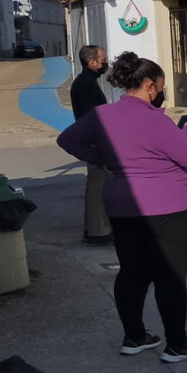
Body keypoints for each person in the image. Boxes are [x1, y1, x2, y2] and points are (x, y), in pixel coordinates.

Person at [56, 53, 187, 362]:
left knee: (132, 271)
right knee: (170, 275)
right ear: (151, 86)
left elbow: (67, 140)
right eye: (161, 87)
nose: (162, 93)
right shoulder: (156, 120)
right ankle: (177, 344)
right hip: (168, 204)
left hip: (122, 203)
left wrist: (101, 158)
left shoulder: (102, 115)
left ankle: (134, 336)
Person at [70, 44, 112, 246]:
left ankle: (98, 229)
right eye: (103, 59)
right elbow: (91, 117)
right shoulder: (85, 84)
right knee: (98, 186)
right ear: (92, 62)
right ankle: (97, 232)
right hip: (95, 143)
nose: (105, 62)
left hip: (95, 141)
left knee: (100, 185)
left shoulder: (87, 81)